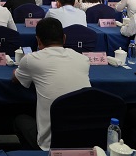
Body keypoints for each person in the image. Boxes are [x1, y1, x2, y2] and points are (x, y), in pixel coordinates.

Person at [13, 17, 91, 150]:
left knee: (19, 120)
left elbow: (16, 78)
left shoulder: (31, 59)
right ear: (64, 38)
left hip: (51, 144)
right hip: (85, 141)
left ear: (38, 40)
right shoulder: (83, 59)